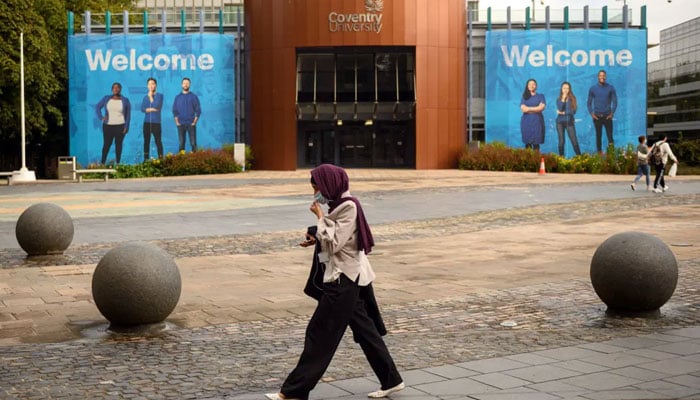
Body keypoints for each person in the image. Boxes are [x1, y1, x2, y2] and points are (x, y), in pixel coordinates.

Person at [266, 164, 404, 400]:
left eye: (316, 188)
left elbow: (336, 242)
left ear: (329, 184)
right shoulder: (339, 206)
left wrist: (319, 218)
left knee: (320, 333)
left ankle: (294, 391)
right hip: (347, 277)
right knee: (365, 331)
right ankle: (392, 380)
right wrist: (315, 235)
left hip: (344, 280)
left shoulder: (349, 206)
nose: (315, 194)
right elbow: (336, 237)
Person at [95, 82, 131, 165]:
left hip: (120, 126)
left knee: (118, 145)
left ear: (120, 89)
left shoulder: (125, 100)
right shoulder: (106, 98)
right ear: (112, 89)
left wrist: (126, 126)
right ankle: (102, 163)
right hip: (108, 126)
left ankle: (118, 163)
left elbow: (128, 115)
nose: (116, 89)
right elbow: (97, 107)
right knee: (106, 145)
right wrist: (101, 117)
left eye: (118, 87)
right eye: (114, 87)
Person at [587, 70, 618, 153]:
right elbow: (589, 103)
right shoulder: (593, 89)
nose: (602, 77)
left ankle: (611, 154)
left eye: (604, 75)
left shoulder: (610, 88)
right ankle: (599, 154)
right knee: (598, 136)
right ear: (598, 77)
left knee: (610, 136)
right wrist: (591, 114)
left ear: (606, 77)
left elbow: (615, 101)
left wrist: (612, 113)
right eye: (601, 75)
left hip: (607, 116)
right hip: (597, 117)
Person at [172, 77, 201, 152]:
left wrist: (194, 122)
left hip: (191, 124)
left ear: (190, 85)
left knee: (193, 143)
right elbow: (174, 111)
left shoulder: (193, 97)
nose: (186, 85)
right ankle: (181, 161)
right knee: (181, 143)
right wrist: (177, 122)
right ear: (181, 85)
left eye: (187, 83)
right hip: (181, 124)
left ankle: (196, 161)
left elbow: (198, 110)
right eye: (184, 83)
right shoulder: (177, 97)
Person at [141, 77, 164, 161]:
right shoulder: (145, 97)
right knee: (146, 142)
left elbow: (156, 105)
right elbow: (143, 109)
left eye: (153, 84)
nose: (151, 86)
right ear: (147, 86)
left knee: (158, 141)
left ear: (156, 85)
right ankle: (146, 160)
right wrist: (153, 109)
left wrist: (151, 97)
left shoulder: (160, 96)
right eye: (149, 84)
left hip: (156, 123)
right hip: (146, 122)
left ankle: (161, 159)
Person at [555, 82, 581, 157]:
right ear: (561, 89)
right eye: (564, 88)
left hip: (569, 122)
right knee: (561, 141)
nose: (565, 90)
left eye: (567, 88)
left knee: (574, 140)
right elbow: (559, 108)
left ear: (569, 89)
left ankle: (580, 158)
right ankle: (561, 158)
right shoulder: (559, 99)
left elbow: (573, 111)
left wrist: (563, 113)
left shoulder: (572, 99)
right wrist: (563, 99)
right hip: (559, 122)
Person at [520, 79, 546, 151]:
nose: (532, 86)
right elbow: (523, 109)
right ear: (527, 86)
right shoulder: (524, 96)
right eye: (530, 84)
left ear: (536, 86)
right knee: (527, 144)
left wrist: (528, 108)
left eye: (533, 84)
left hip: (537, 122)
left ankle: (536, 161)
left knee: (536, 144)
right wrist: (536, 108)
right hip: (526, 122)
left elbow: (541, 108)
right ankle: (528, 161)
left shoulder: (541, 96)